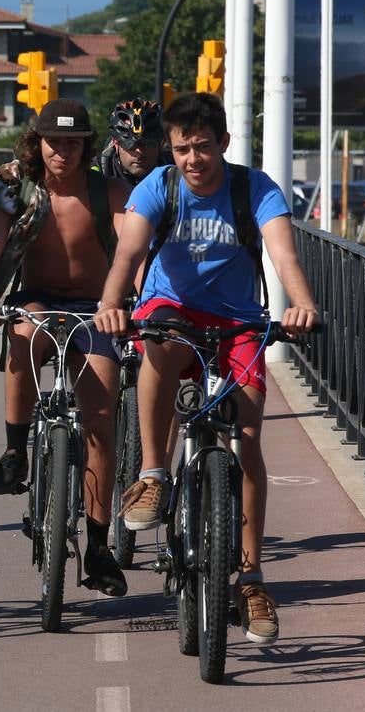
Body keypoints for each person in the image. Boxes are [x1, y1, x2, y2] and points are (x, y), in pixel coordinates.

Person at [93, 92, 318, 645]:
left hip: (239, 321)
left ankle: (252, 577)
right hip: (173, 309)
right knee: (160, 344)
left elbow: (283, 255)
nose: (192, 159)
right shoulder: (159, 186)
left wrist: (302, 303)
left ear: (223, 143)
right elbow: (127, 255)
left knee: (247, 437)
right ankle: (152, 474)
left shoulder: (253, 188)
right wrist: (111, 303)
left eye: (201, 148)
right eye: (181, 149)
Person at [0, 98, 131, 598]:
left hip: (96, 307)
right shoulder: (17, 188)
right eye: (54, 141)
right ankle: (17, 451)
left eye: (74, 143)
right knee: (22, 334)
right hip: (35, 299)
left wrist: (130, 303)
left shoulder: (110, 190)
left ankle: (99, 546)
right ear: (38, 142)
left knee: (101, 418)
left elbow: (132, 249)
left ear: (87, 146)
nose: (64, 151)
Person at [98, 98, 166, 186]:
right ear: (116, 144)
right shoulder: (96, 174)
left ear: (161, 144)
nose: (139, 151)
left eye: (147, 144)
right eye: (130, 144)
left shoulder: (178, 173)